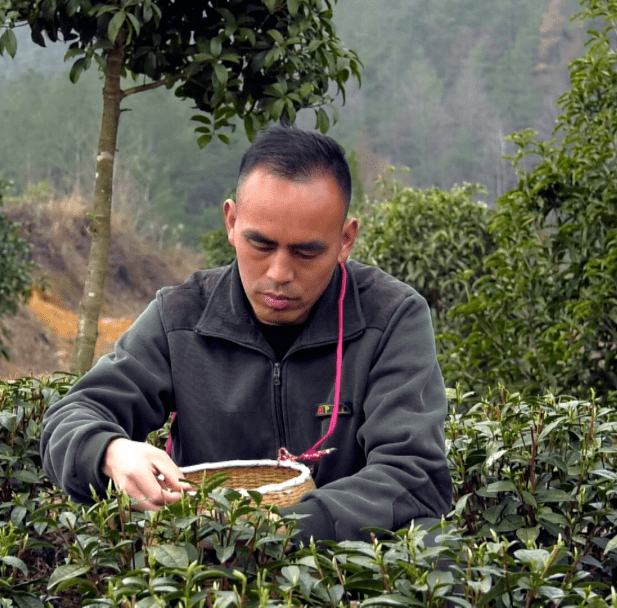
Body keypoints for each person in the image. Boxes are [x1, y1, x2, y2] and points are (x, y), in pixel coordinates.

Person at [40, 123, 452, 543]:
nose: (279, 274)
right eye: (261, 245)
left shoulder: (391, 317)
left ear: (345, 240)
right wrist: (111, 451)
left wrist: (284, 528)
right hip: (206, 564)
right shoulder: (181, 316)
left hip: (346, 563)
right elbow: (71, 416)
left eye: (306, 252)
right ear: (232, 222)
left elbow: (413, 474)